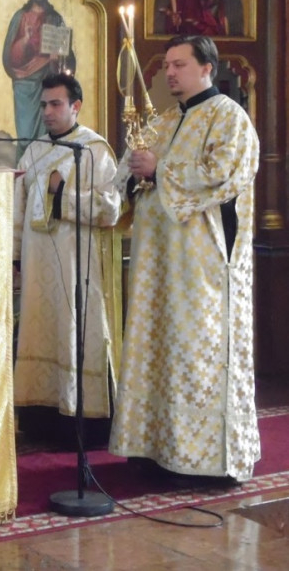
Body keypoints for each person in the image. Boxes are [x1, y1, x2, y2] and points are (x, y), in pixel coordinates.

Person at [109, 35, 260, 483]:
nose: (170, 73)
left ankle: (203, 462)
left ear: (207, 68)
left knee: (196, 353)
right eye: (168, 65)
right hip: (156, 265)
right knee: (156, 351)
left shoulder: (229, 118)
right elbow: (126, 181)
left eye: (180, 64)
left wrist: (160, 171)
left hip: (201, 267)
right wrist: (135, 177)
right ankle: (153, 449)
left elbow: (225, 173)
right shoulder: (164, 120)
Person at [12, 73, 121, 447]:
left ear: (76, 106)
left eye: (55, 104)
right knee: (39, 332)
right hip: (37, 264)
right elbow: (18, 208)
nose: (47, 111)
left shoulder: (94, 150)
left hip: (77, 265)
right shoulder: (34, 150)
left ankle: (83, 424)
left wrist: (63, 195)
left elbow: (111, 209)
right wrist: (15, 256)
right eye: (43, 104)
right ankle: (41, 419)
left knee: (75, 332)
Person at [2, 0, 76, 157]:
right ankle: (24, 167)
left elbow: (67, 57)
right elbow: (10, 58)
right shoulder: (20, 17)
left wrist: (58, 58)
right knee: (25, 135)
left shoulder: (55, 18)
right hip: (25, 85)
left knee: (46, 135)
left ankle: (45, 165)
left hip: (47, 82)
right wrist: (25, 40)